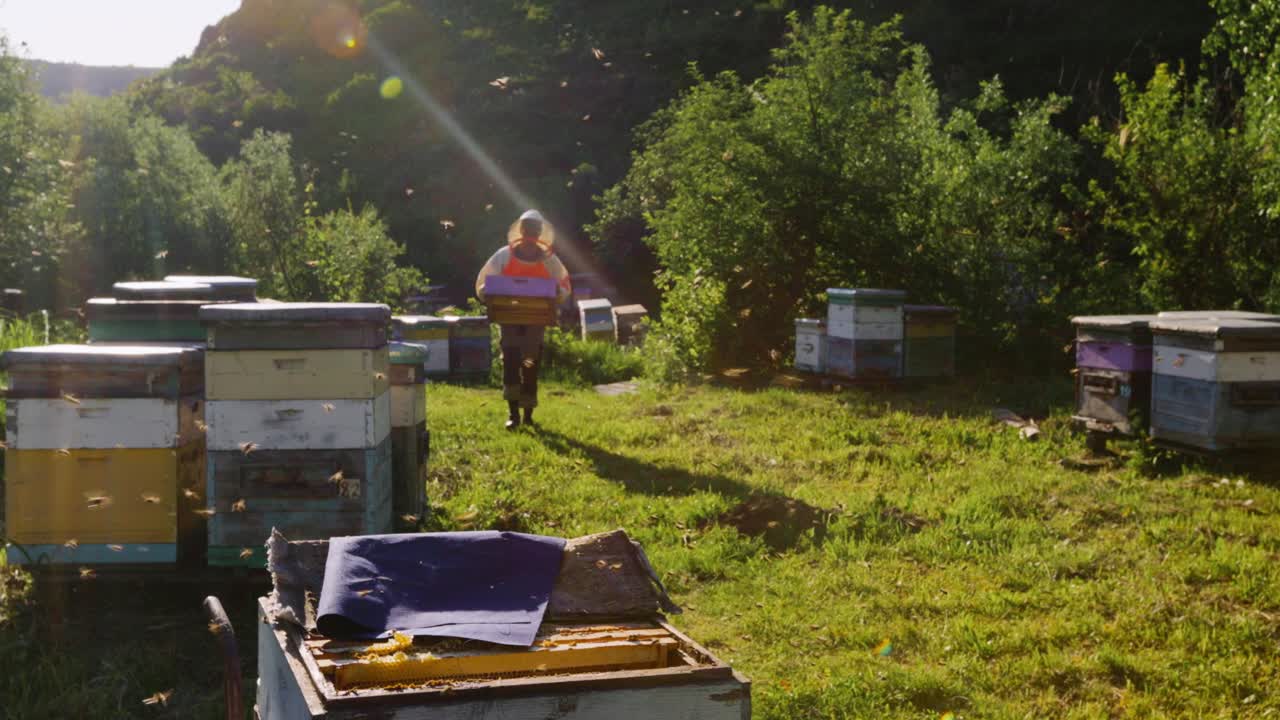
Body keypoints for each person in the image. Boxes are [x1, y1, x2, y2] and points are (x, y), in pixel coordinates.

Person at [475, 210, 571, 429]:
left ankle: (528, 414)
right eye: (527, 229)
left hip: (535, 321)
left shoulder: (550, 261)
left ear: (539, 233)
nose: (531, 233)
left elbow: (564, 286)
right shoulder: (502, 256)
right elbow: (482, 284)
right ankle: (513, 414)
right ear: (521, 230)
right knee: (510, 361)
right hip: (508, 319)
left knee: (529, 363)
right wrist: (488, 290)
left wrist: (556, 292)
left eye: (535, 230)